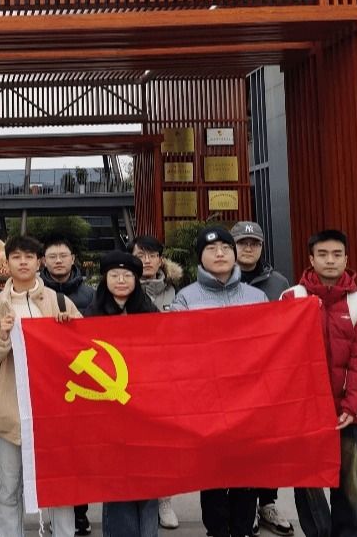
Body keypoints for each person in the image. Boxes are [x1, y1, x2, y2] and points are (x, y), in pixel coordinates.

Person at [0, 235, 82, 537]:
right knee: (9, 487)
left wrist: (68, 329)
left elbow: (85, 352)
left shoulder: (59, 302)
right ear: (7, 262)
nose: (23, 262)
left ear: (39, 262)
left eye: (29, 257)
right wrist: (0, 335)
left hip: (54, 412)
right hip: (10, 415)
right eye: (17, 257)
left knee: (59, 486)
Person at [171, 227, 268, 537]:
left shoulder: (257, 297)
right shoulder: (185, 298)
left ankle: (244, 529)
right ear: (200, 257)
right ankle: (216, 531)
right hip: (207, 401)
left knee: (247, 471)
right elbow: (178, 350)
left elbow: (271, 344)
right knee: (212, 472)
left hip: (249, 399)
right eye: (212, 249)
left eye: (226, 247)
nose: (220, 253)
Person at [281, 229, 357, 537]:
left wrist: (352, 406)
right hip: (305, 414)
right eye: (322, 254)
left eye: (337, 254)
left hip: (349, 414)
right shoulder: (291, 298)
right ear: (311, 259)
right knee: (307, 482)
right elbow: (283, 358)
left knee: (349, 483)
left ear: (346, 259)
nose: (330, 260)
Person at [85, 251, 159, 537]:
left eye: (127, 275)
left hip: (146, 411)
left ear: (137, 280)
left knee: (149, 478)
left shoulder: (150, 313)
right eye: (114, 275)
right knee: (117, 481)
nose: (121, 280)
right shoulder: (90, 315)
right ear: (105, 279)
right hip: (109, 412)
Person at [229, 222, 293, 537]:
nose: (248, 248)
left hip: (268, 376)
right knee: (238, 444)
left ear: (262, 247)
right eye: (242, 243)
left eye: (254, 243)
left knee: (268, 444)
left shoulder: (279, 283)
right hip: (231, 378)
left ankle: (267, 501)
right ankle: (245, 505)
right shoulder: (220, 279)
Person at [37, 236, 93, 534]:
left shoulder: (90, 295)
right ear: (43, 261)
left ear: (73, 259)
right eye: (52, 256)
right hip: (46, 384)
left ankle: (79, 512)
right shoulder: (35, 294)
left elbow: (97, 335)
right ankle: (55, 511)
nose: (58, 260)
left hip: (79, 385)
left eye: (63, 255)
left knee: (78, 453)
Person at [128, 234, 181, 529]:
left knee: (164, 444)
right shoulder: (119, 287)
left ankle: (164, 500)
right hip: (129, 379)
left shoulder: (177, 292)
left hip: (166, 378)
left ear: (161, 260)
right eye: (140, 255)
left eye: (152, 255)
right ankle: (135, 498)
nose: (146, 261)